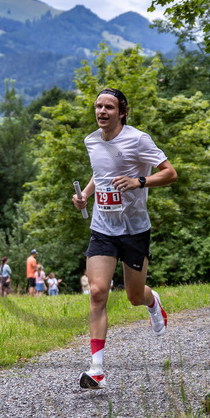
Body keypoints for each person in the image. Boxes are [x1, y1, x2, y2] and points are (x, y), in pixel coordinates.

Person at [71, 87, 177, 389]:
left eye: (108, 107)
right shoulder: (91, 140)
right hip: (102, 227)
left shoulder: (138, 139)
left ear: (122, 112)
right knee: (97, 292)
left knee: (133, 296)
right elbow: (100, 174)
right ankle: (97, 369)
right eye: (98, 106)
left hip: (134, 229)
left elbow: (170, 173)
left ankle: (152, 301)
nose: (101, 112)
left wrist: (139, 181)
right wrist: (85, 195)